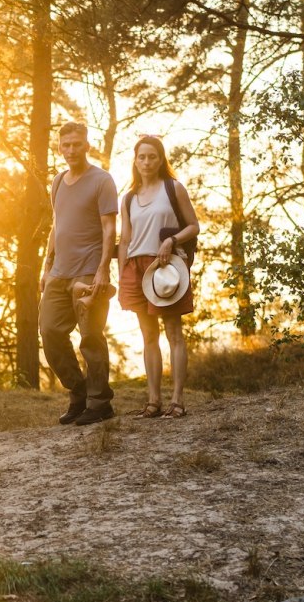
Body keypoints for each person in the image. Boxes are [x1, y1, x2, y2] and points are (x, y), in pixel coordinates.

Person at [40, 120, 118, 425]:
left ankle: (100, 404)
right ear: (59, 148)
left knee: (90, 338)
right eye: (65, 145)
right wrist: (46, 267)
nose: (71, 150)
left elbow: (109, 227)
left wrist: (103, 270)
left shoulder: (102, 180)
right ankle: (79, 391)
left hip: (88, 273)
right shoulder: (58, 182)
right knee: (50, 332)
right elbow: (56, 226)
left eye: (76, 144)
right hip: (59, 272)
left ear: (87, 144)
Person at [117, 134, 200, 418]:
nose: (147, 161)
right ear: (135, 160)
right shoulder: (127, 198)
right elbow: (125, 239)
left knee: (174, 333)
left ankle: (177, 400)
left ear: (160, 159)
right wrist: (120, 276)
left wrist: (171, 240)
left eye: (152, 156)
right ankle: (153, 401)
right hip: (134, 267)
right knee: (148, 335)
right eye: (142, 156)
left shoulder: (173, 188)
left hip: (164, 266)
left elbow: (194, 226)